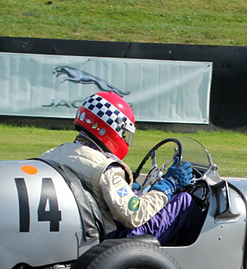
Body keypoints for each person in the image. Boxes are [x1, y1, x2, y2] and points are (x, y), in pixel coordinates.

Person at [40, 92, 204, 245]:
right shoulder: (105, 168)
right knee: (184, 202)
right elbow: (134, 215)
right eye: (124, 133)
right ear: (113, 128)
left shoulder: (50, 154)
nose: (124, 138)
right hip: (109, 240)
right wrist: (169, 184)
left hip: (70, 234)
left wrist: (127, 189)